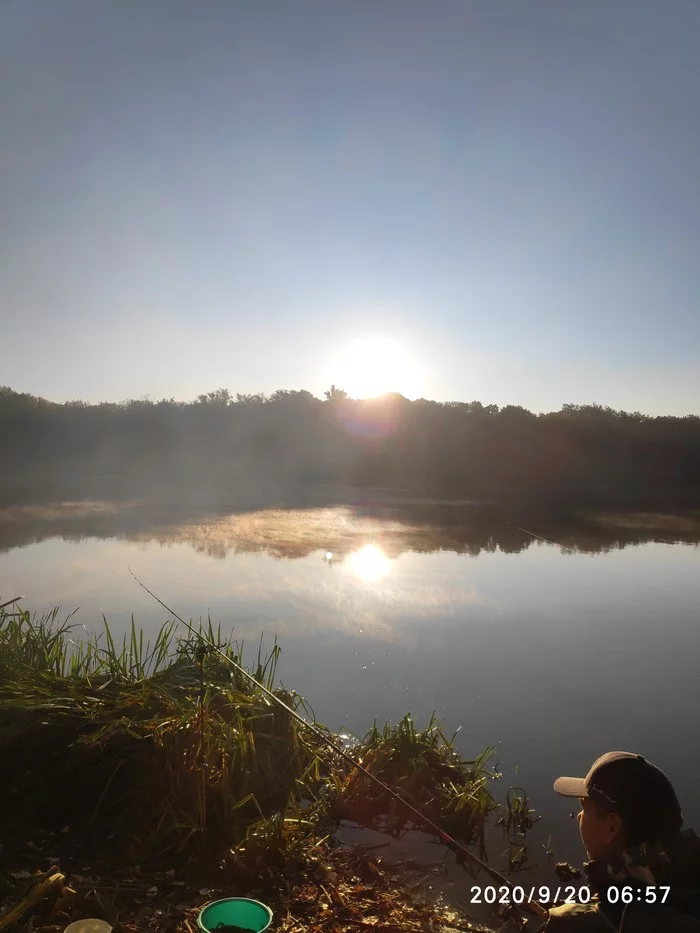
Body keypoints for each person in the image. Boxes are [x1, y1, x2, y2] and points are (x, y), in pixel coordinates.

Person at [542, 751, 700, 932]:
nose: (579, 817)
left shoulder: (585, 926)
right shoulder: (688, 883)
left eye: (584, 808)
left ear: (611, 827)